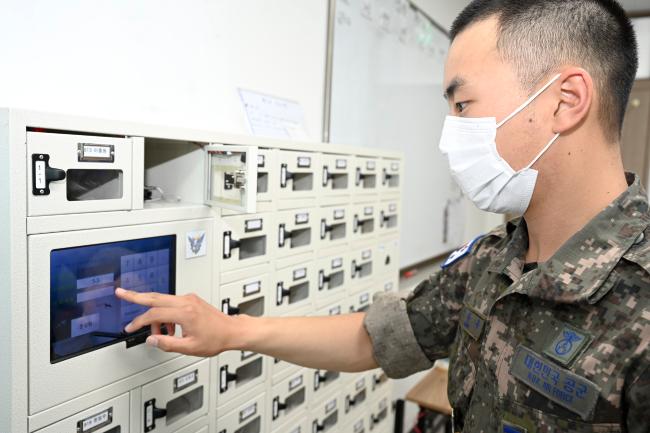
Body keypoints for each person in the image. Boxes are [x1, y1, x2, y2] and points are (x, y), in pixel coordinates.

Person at [115, 0, 650, 431]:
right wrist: (231, 330)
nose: (449, 132)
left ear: (566, 100)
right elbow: (375, 339)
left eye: (462, 105)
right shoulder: (495, 260)